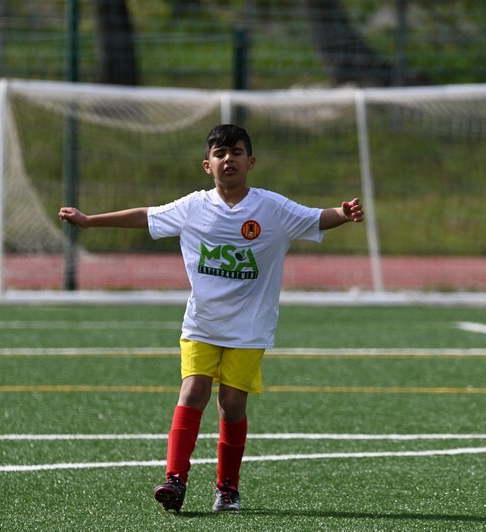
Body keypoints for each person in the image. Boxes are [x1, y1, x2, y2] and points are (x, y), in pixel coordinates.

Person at [59, 124, 364, 513]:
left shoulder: (272, 208)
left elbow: (316, 218)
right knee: (192, 392)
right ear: (207, 165)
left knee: (231, 404)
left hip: (249, 328)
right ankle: (175, 479)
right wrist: (90, 221)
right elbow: (145, 216)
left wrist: (343, 213)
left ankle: (227, 487)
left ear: (251, 161)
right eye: (219, 154)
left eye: (236, 152)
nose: (228, 159)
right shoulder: (193, 207)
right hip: (201, 324)